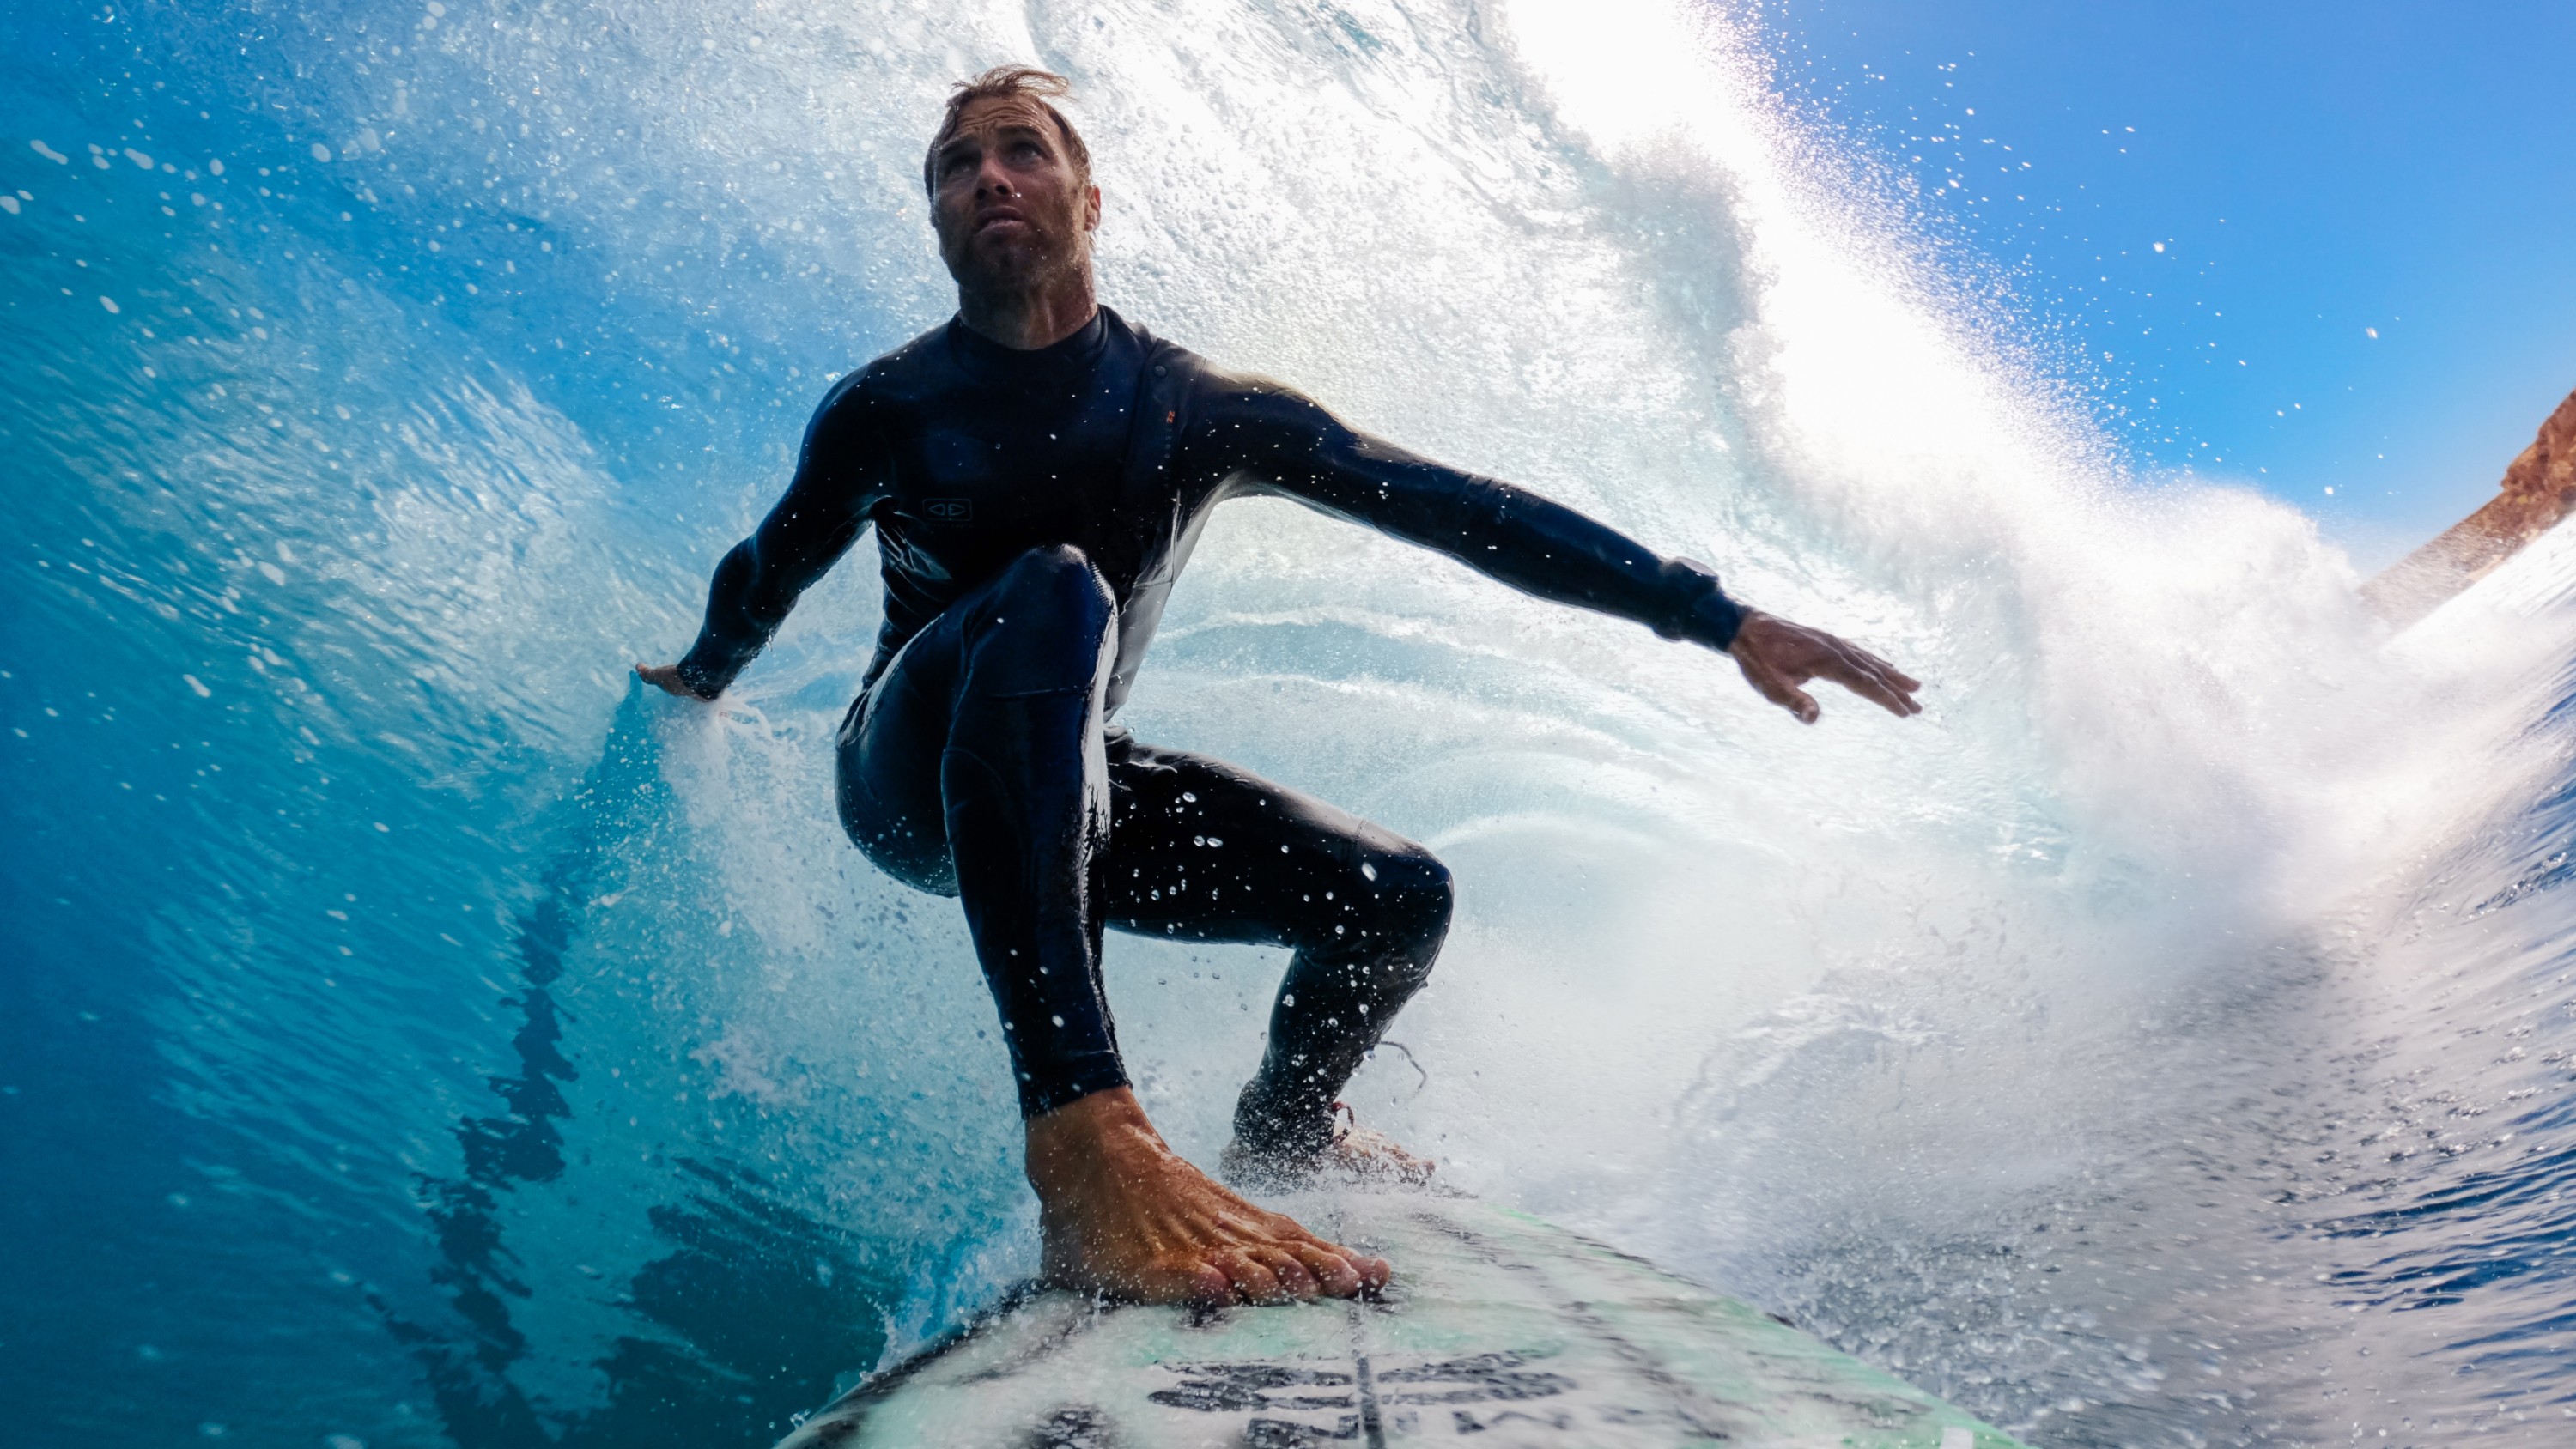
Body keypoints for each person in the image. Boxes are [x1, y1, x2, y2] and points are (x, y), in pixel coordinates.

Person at [640, 65, 1922, 1309]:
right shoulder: (888, 408)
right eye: (955, 168)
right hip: (910, 782)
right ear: (935, 223)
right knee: (1054, 588)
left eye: (1023, 149)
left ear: (1091, 202)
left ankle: (1288, 1136)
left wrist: (1714, 615)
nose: (988, 177)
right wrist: (701, 680)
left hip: (1066, 776)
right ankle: (1085, 1142)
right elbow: (770, 565)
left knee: (1396, 898)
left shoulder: (1196, 411)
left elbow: (1453, 509)